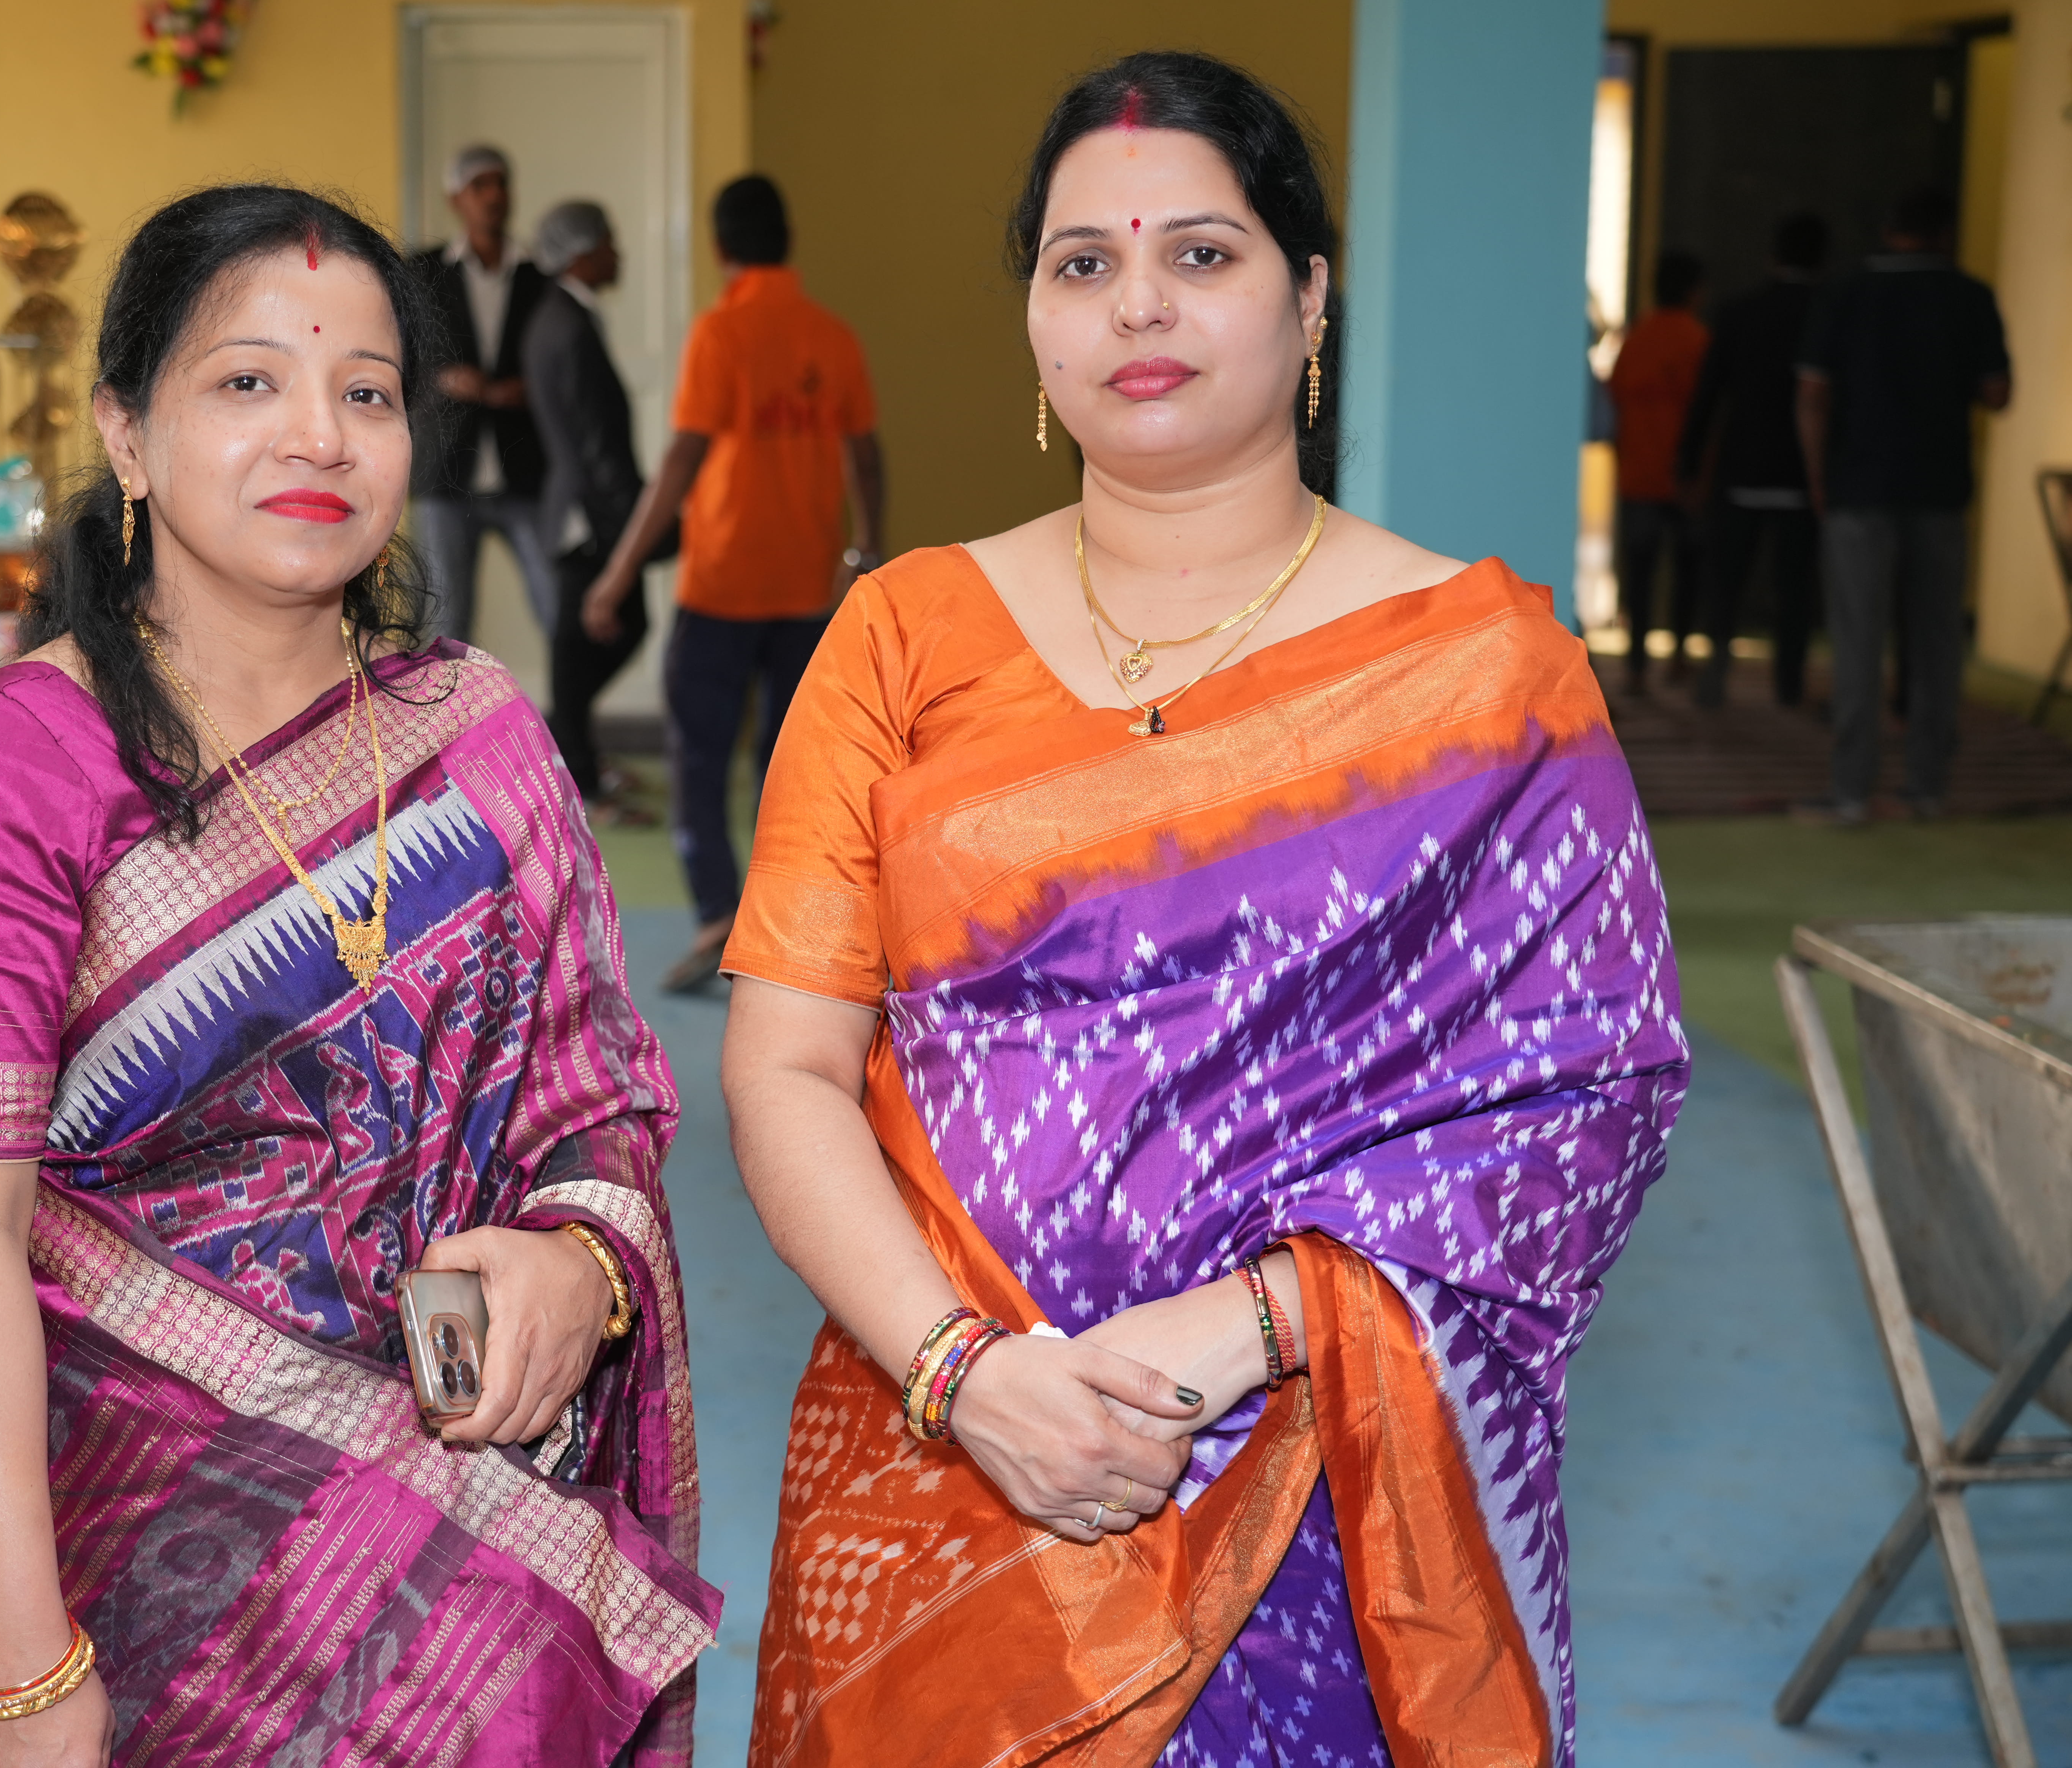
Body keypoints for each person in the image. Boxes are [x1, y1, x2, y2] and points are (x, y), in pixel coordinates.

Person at [721, 53, 1687, 1767]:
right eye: (1081, 262)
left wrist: (1230, 1334)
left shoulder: (1485, 680)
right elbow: (787, 1062)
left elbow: (1581, 1095)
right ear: (1033, 317)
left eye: (1201, 252)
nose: (1136, 304)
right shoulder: (900, 634)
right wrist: (964, 1372)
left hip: (1311, 1478)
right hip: (932, 1456)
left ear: (1308, 298)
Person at [0, 183, 714, 1768]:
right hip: (161, 1558)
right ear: (127, 434)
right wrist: (21, 1669)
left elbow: (596, 1092)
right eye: (248, 381)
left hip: (493, 1542)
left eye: (367, 392)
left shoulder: (477, 733)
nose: (319, 435)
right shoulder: (4, 771)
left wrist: (582, 1268)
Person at [581, 174, 883, 994]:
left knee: (699, 762)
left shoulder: (720, 334)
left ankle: (719, 912)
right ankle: (783, 928)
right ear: (787, 240)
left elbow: (680, 461)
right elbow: (865, 456)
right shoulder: (831, 336)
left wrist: (617, 573)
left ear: (720, 248)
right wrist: (865, 550)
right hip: (807, 588)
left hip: (720, 586)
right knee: (791, 770)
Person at [1797, 183, 2010, 823]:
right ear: (1944, 234)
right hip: (1939, 490)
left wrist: (1818, 478)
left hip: (1858, 488)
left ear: (1888, 230)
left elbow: (1812, 396)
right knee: (1937, 642)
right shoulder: (1970, 297)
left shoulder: (1845, 293)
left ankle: (1850, 792)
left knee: (1857, 641)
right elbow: (1997, 392)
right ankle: (1926, 786)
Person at [523, 200, 656, 819]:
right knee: (580, 655)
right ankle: (576, 783)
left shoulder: (560, 317)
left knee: (604, 639)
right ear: (580, 253)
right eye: (609, 240)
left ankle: (575, 761)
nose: (618, 253)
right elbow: (596, 442)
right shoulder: (568, 326)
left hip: (582, 511)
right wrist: (632, 523)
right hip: (587, 518)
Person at [408, 145, 558, 644]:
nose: (494, 196)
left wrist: (536, 387)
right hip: (446, 469)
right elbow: (391, 356)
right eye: (479, 186)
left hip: (527, 468)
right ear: (456, 199)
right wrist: (442, 380)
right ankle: (447, 702)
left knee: (558, 605)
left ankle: (569, 700)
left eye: (501, 183)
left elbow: (563, 357)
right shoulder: (423, 273)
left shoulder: (540, 275)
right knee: (446, 620)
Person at [1681, 212, 1828, 710]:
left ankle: (1717, 667)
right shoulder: (1826, 311)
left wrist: (1689, 462)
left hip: (1742, 466)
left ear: (1772, 256)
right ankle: (1789, 684)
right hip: (1802, 473)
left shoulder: (1739, 312)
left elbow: (1707, 395)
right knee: (1795, 588)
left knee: (1727, 579)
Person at [1606, 249, 1709, 694]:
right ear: (1694, 292)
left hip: (1638, 474)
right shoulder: (1697, 340)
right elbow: (1709, 412)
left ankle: (1635, 669)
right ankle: (1680, 658)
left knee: (1640, 576)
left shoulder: (1636, 339)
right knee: (1688, 570)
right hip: (1685, 477)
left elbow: (1614, 399)